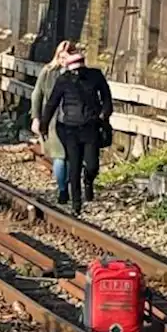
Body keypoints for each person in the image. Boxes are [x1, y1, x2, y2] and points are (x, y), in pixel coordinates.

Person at [40, 51, 112, 214]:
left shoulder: (95, 76)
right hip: (69, 128)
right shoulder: (63, 80)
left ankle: (88, 181)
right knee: (74, 165)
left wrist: (105, 113)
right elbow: (52, 103)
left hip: (90, 126)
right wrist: (44, 124)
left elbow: (107, 96)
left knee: (92, 164)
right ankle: (76, 204)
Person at [31, 40, 74, 201]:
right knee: (60, 155)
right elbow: (37, 94)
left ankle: (67, 184)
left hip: (72, 119)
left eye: (67, 58)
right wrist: (36, 117)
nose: (64, 61)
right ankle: (63, 188)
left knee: (70, 156)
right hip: (53, 119)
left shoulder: (77, 72)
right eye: (62, 57)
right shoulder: (48, 72)